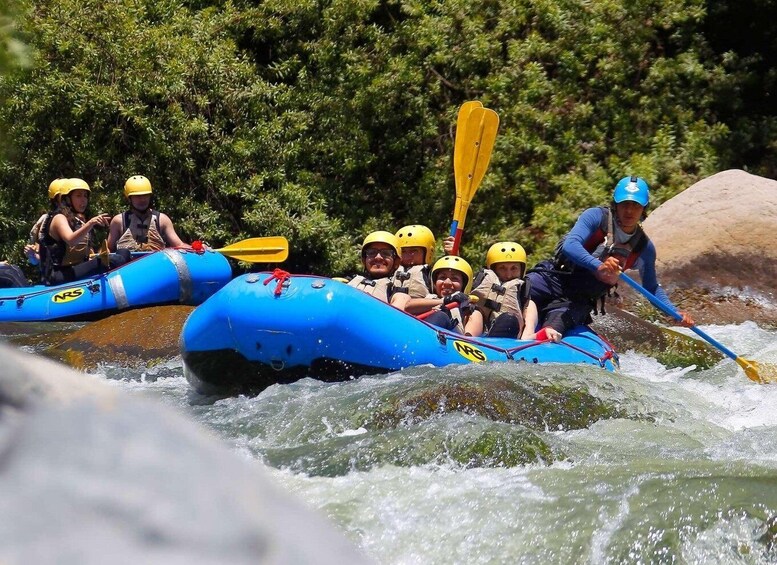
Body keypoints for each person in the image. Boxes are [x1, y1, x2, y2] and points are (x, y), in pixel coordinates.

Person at [526, 175, 694, 335]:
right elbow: (571, 246)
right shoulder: (596, 217)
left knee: (554, 327)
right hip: (554, 278)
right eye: (624, 204)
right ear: (616, 204)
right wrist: (599, 265)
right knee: (520, 289)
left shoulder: (644, 247)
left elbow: (651, 288)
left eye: (635, 205)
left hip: (579, 299)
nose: (629, 210)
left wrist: (674, 312)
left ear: (644, 208)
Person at [39, 178, 129, 285]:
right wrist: (91, 223)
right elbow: (71, 240)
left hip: (76, 268)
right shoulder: (59, 217)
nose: (83, 200)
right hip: (57, 274)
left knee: (124, 253)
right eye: (78, 196)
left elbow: (83, 251)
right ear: (67, 199)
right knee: (114, 260)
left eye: (85, 196)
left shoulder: (77, 220)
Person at [471, 241, 560, 341]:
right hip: (473, 340)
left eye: (514, 268)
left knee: (508, 320)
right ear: (492, 269)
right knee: (475, 313)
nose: (508, 275)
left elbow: (527, 338)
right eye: (502, 268)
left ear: (522, 270)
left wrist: (544, 333)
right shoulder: (477, 286)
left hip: (507, 344)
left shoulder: (528, 305)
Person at [404, 255, 484, 336]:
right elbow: (407, 307)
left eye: (454, 278)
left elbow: (469, 342)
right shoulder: (429, 299)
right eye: (442, 277)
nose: (447, 283)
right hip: (416, 337)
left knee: (441, 316)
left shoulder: (471, 312)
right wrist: (445, 301)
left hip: (449, 343)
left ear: (464, 285)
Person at [107, 175, 188, 253]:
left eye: (145, 195)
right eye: (137, 196)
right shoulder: (118, 221)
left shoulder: (162, 220)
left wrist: (197, 248)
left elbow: (179, 245)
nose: (142, 199)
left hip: (155, 264)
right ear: (129, 198)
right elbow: (109, 248)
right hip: (128, 264)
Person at [346, 231, 402, 304]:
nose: (378, 257)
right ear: (364, 260)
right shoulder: (346, 282)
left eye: (386, 253)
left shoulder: (398, 294)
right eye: (371, 253)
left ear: (396, 262)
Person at [391, 224, 436, 311]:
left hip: (421, 316)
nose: (407, 256)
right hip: (392, 310)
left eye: (414, 251)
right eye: (403, 251)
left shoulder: (431, 274)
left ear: (427, 252)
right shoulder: (390, 270)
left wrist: (453, 254)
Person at [24, 178, 66, 267]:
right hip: (58, 274)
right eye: (64, 196)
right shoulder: (46, 222)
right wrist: (32, 255)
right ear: (56, 200)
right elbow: (38, 260)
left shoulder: (80, 219)